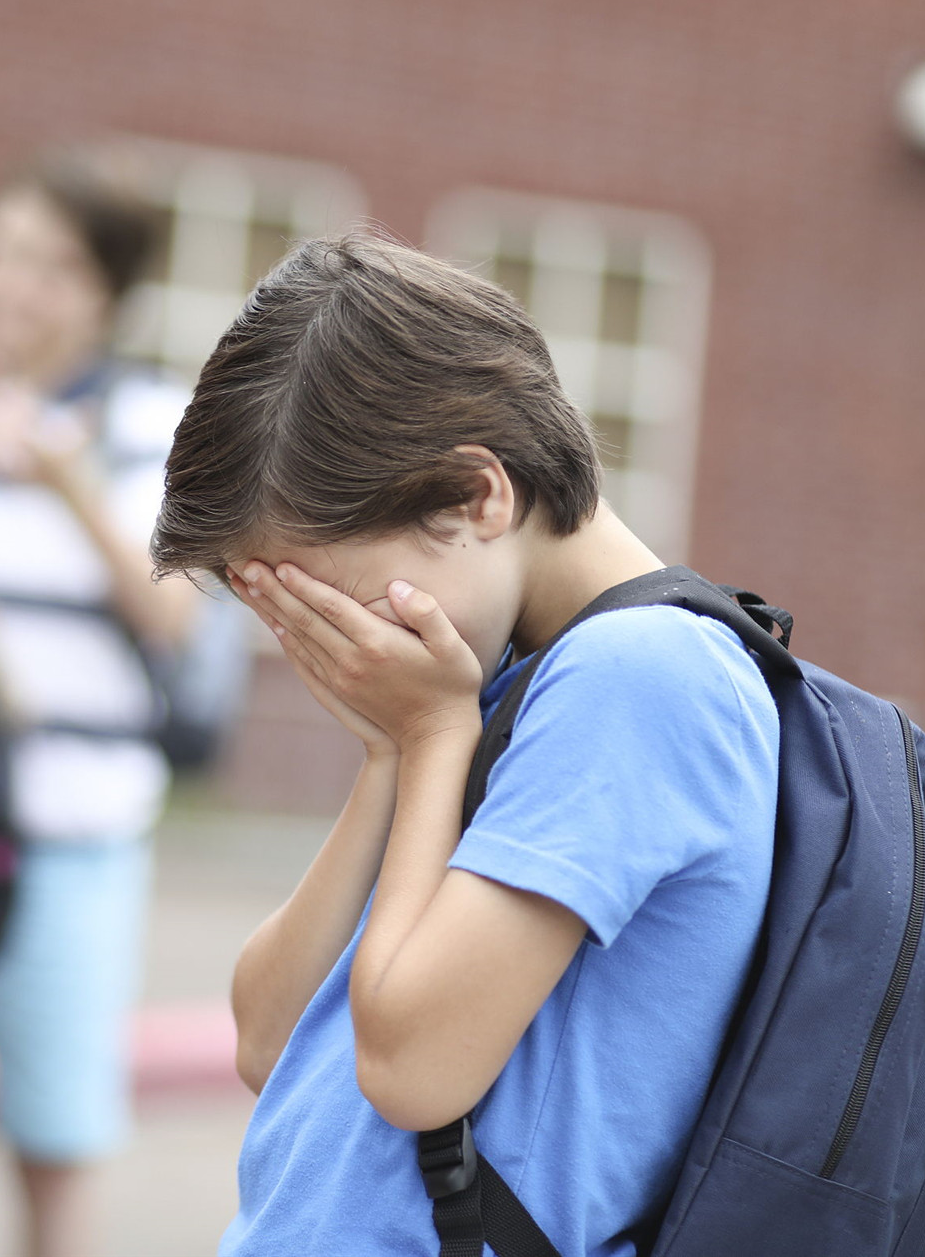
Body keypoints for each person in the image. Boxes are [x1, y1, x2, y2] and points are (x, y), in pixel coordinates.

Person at [148, 234, 782, 1257]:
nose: (329, 643)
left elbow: (412, 1069)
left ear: (475, 495)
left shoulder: (638, 678)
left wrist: (433, 733)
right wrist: (394, 754)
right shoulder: (499, 678)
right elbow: (267, 1036)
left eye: (335, 598)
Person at [0, 163, 197, 1257]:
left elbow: (176, 616)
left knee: (53, 1135)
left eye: (53, 266)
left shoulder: (153, 424)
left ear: (106, 292)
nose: (14, 283)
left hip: (70, 833)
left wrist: (68, 484)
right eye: (3, 252)